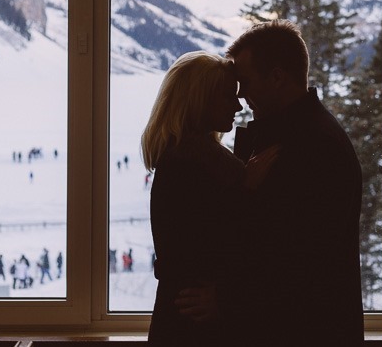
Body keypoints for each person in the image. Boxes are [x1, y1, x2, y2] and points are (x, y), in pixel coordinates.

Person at [179, 20, 364, 345]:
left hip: (299, 332)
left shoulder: (311, 147)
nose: (240, 99)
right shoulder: (303, 135)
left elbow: (300, 256)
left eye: (245, 83)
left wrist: (227, 299)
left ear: (277, 77)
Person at [143, 51, 246, 345]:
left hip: (178, 318)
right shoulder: (201, 163)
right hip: (199, 325)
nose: (238, 106)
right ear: (199, 101)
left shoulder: (177, 157)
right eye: (228, 97)